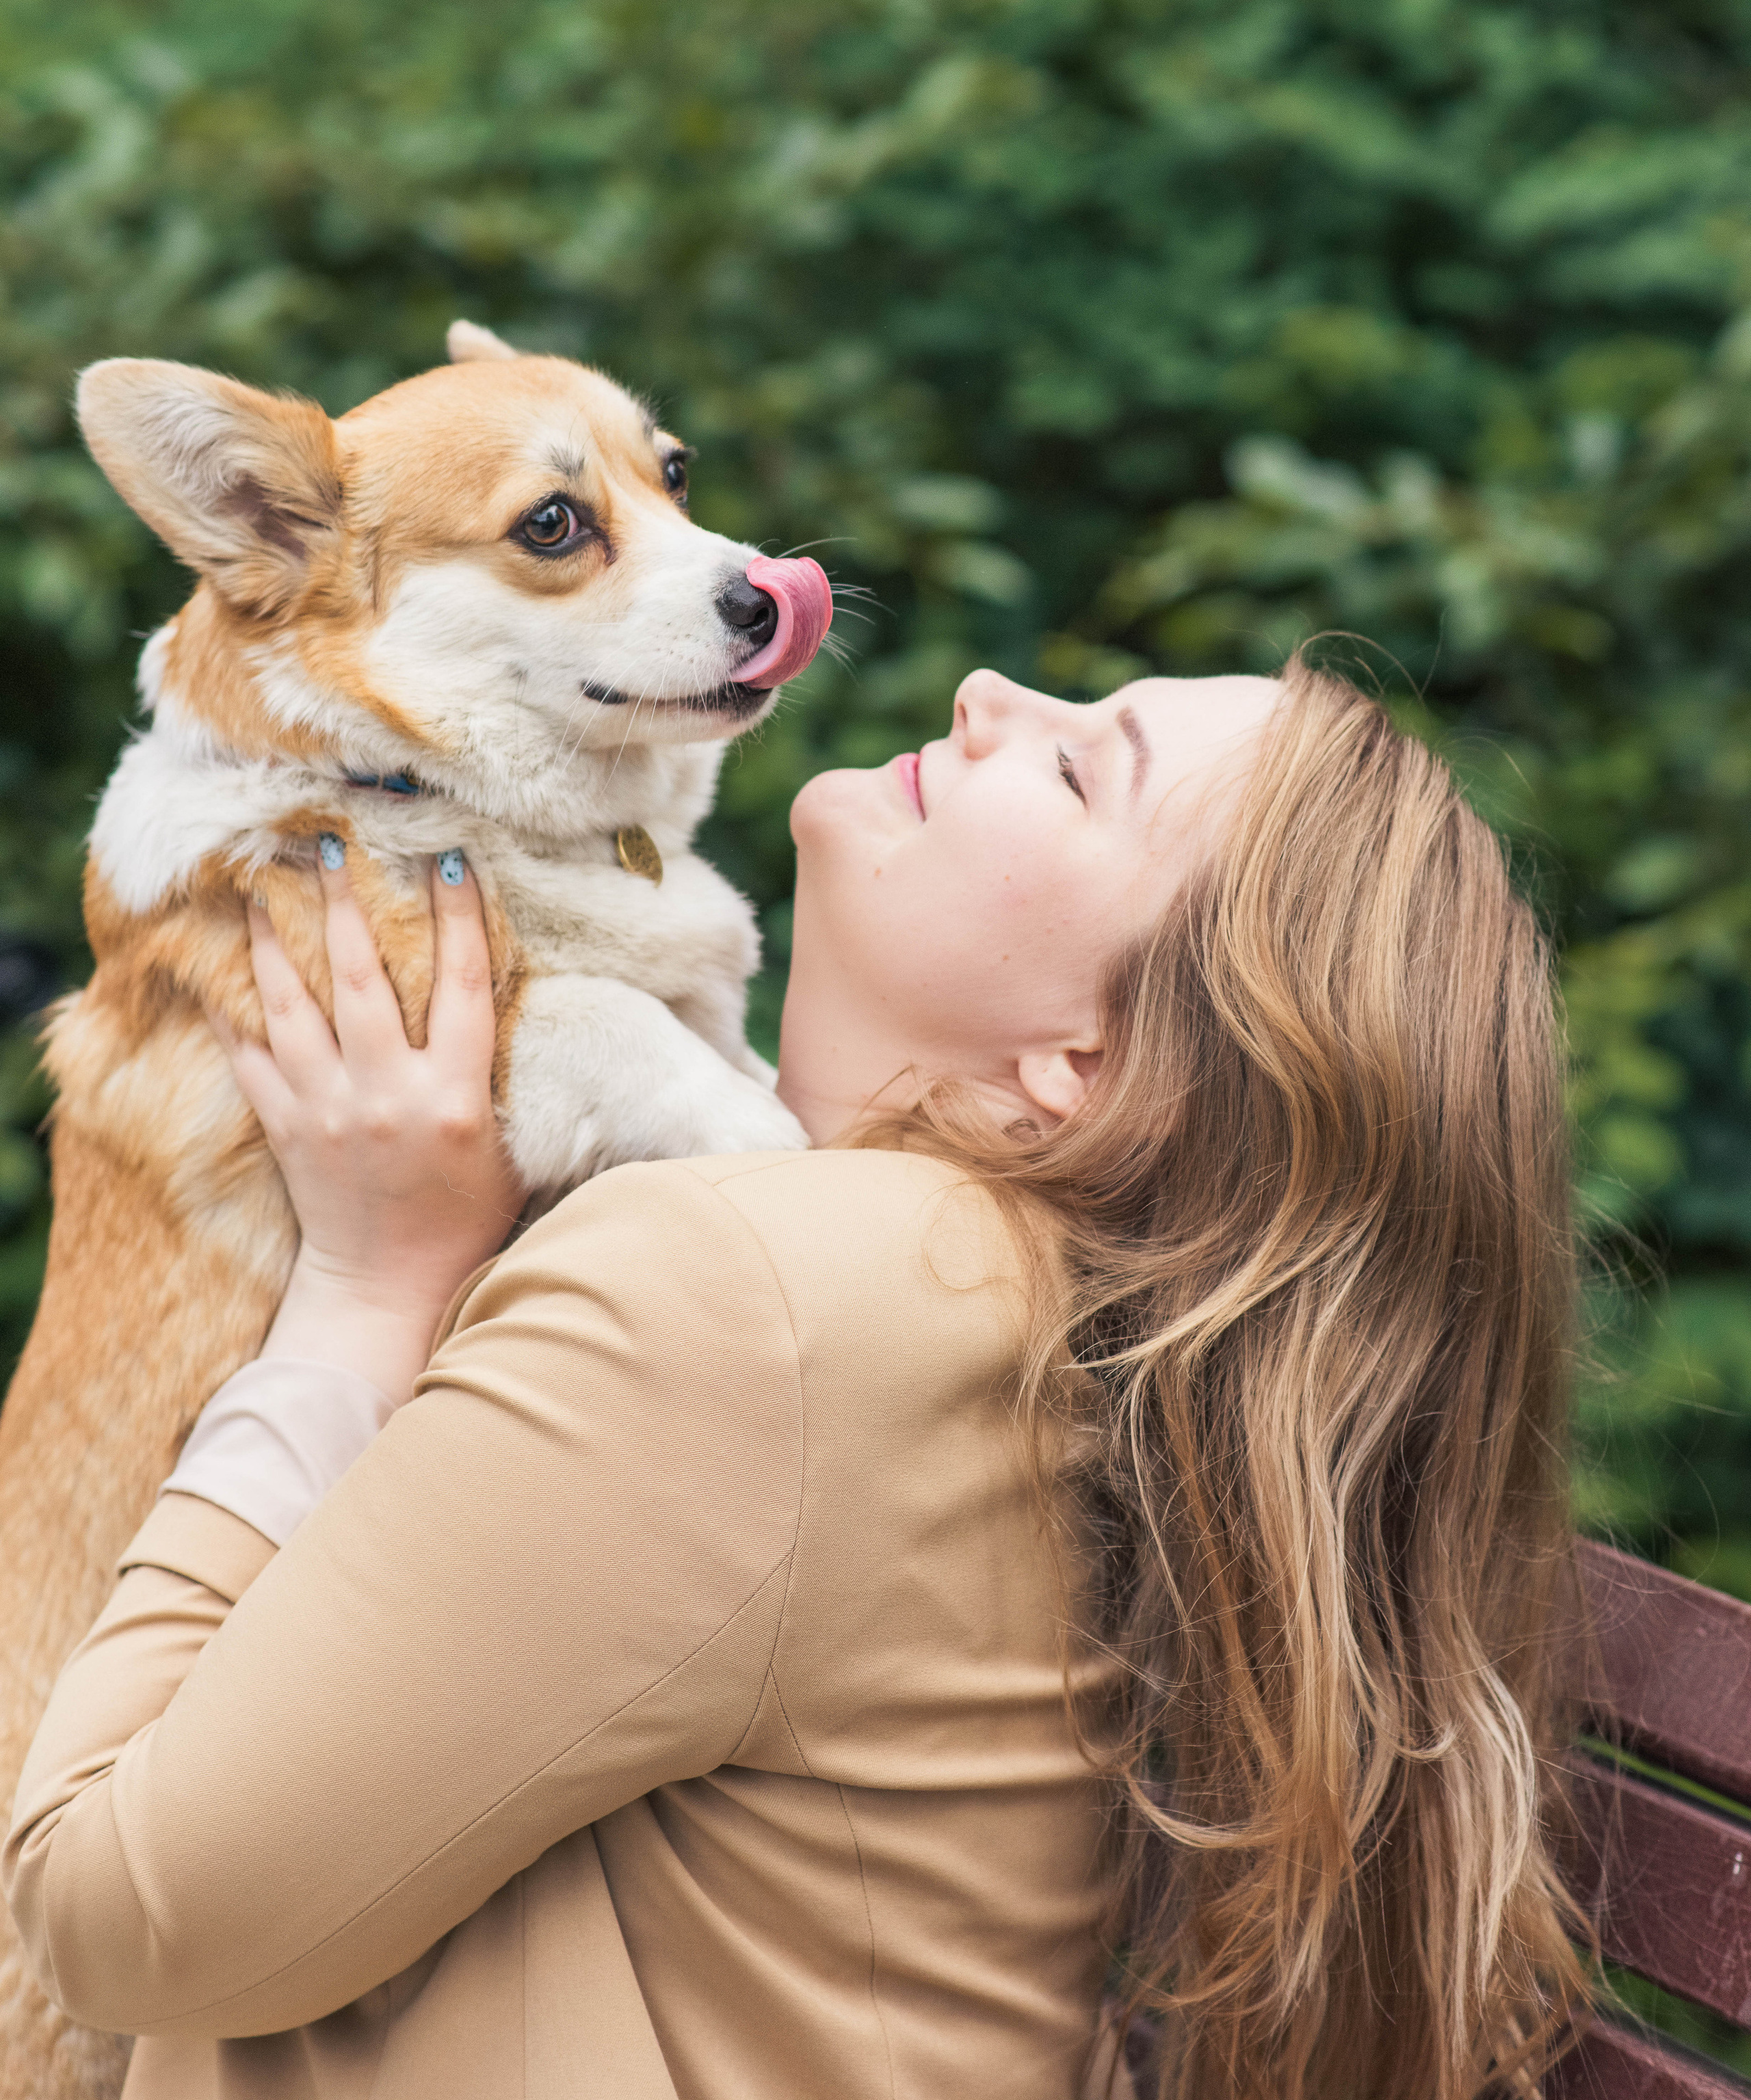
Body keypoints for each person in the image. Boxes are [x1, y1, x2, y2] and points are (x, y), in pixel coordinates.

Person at [4, 656, 1591, 2100]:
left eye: (1073, 770)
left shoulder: (765, 1303)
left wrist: (369, 1282)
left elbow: (106, 1910)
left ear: (1084, 1062)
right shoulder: (944, 1293)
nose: (987, 695)